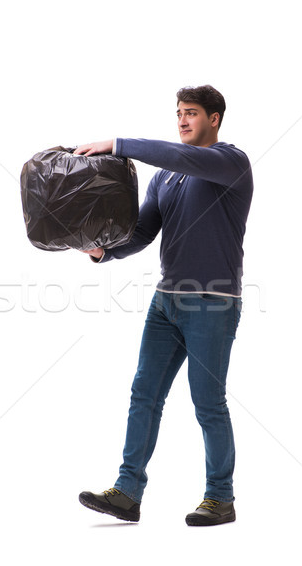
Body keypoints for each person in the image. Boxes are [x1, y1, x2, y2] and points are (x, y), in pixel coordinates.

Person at [74, 85, 253, 526]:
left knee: (207, 403)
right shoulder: (166, 179)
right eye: (178, 113)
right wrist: (103, 252)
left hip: (213, 303)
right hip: (166, 301)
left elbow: (177, 155)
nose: (182, 120)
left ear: (215, 118)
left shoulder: (230, 162)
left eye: (191, 113)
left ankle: (220, 498)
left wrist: (117, 145)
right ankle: (127, 493)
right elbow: (141, 233)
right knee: (144, 394)